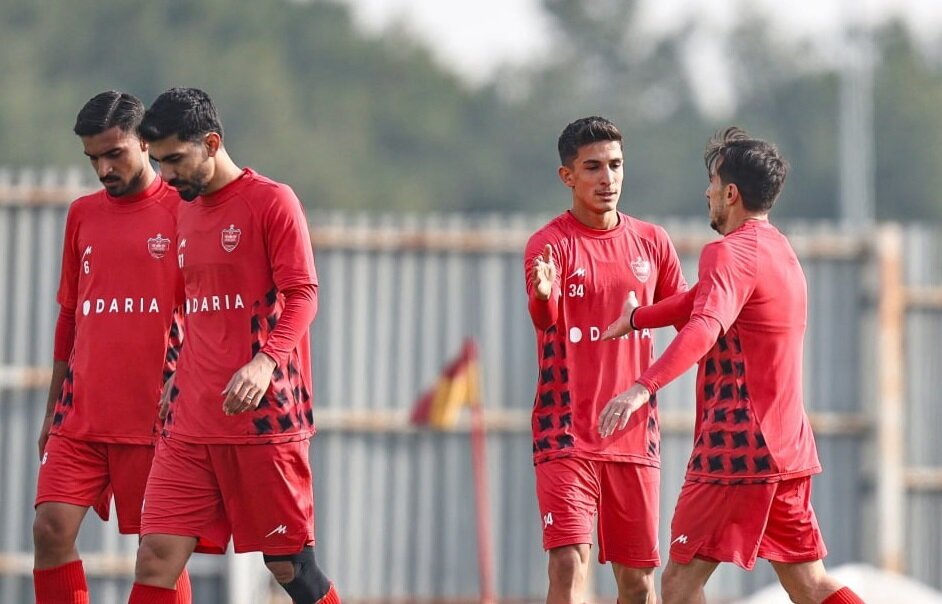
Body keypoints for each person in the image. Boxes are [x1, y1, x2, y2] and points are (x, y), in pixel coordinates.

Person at [599, 127, 865, 604]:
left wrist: (642, 387)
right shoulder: (778, 249)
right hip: (787, 446)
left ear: (731, 193)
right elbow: (699, 301)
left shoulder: (728, 252)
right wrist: (638, 318)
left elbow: (704, 325)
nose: (707, 192)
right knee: (809, 584)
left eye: (713, 182)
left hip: (739, 446)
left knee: (680, 583)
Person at [125, 87, 340, 604]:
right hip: (190, 424)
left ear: (212, 143)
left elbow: (303, 294)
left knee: (289, 567)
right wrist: (176, 372)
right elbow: (191, 306)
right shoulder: (183, 211)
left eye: (176, 160)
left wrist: (264, 363)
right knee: (155, 557)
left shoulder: (272, 201)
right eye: (159, 162)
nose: (166, 175)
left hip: (265, 421)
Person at [32, 91, 191, 604]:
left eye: (113, 154)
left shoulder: (185, 210)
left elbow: (210, 315)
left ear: (145, 142)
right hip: (80, 415)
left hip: (155, 417)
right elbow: (69, 315)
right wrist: (52, 409)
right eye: (93, 158)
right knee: (50, 529)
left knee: (158, 555)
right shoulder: (81, 214)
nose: (103, 169)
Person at [524, 116, 688, 604]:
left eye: (615, 165)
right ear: (567, 176)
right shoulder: (550, 244)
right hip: (565, 433)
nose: (607, 178)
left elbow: (688, 321)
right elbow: (543, 317)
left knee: (637, 585)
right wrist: (544, 294)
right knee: (567, 564)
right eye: (593, 167)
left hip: (634, 438)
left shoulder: (653, 243)